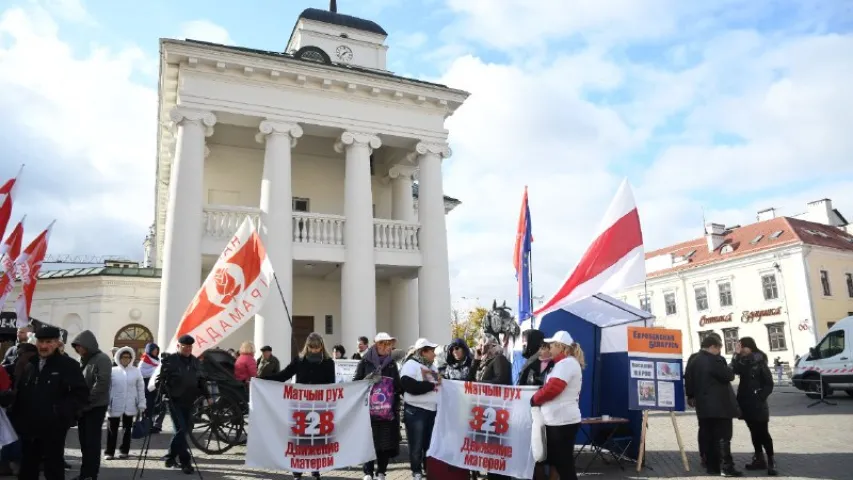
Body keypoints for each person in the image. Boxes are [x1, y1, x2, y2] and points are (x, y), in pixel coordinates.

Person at [11, 326, 88, 480]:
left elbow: (80, 394)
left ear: (57, 343)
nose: (44, 346)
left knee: (53, 468)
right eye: (41, 341)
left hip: (53, 427)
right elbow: (20, 390)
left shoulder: (68, 365)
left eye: (49, 342)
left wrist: (61, 412)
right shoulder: (28, 363)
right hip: (29, 427)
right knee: (28, 467)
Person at [268, 333, 335, 479]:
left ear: (321, 347)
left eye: (317, 347)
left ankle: (315, 468)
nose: (314, 350)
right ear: (307, 346)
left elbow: (331, 384)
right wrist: (262, 379)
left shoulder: (328, 362)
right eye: (311, 347)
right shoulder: (299, 360)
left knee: (317, 439)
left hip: (319, 407)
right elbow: (283, 375)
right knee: (299, 439)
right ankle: (297, 471)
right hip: (301, 406)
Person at [529, 331, 584, 480]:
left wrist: (535, 398)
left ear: (560, 346)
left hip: (561, 423)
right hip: (560, 421)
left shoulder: (567, 363)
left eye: (551, 345)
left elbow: (553, 388)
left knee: (564, 466)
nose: (549, 348)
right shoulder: (563, 363)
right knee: (562, 464)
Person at [151, 335, 207, 474]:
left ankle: (170, 457)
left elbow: (201, 380)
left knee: (186, 429)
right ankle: (185, 462)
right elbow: (159, 381)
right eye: (185, 346)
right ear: (178, 346)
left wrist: (208, 396)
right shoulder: (170, 361)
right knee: (182, 429)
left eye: (190, 347)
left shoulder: (195, 362)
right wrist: (164, 390)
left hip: (190, 401)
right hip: (174, 400)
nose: (188, 349)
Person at [691, 333, 742, 477]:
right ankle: (727, 467)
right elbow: (729, 375)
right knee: (723, 438)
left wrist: (691, 396)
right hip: (720, 407)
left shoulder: (694, 360)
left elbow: (689, 380)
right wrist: (735, 357)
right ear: (713, 347)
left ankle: (712, 468)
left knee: (709, 438)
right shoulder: (713, 360)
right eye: (719, 348)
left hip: (704, 407)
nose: (719, 352)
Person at [353, 333, 401, 480]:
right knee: (369, 441)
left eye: (389, 344)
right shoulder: (365, 361)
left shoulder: (392, 363)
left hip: (387, 412)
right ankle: (368, 472)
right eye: (384, 344)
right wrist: (368, 380)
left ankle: (381, 472)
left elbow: (398, 386)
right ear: (376, 345)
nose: (387, 347)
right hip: (368, 410)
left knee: (384, 444)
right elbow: (355, 382)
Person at [70, 330, 113, 480]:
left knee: (92, 442)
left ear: (88, 345)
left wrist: (88, 400)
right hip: (83, 407)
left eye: (80, 346)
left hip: (95, 407)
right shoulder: (82, 359)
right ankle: (85, 473)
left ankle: (91, 474)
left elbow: (102, 382)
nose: (78, 349)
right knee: (84, 442)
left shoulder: (102, 359)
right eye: (76, 347)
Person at [732, 338, 777, 475]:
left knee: (763, 432)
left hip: (758, 404)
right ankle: (759, 459)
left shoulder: (760, 361)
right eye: (740, 347)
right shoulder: (742, 361)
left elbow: (769, 383)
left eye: (743, 347)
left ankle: (771, 461)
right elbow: (733, 370)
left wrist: (760, 397)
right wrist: (736, 354)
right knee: (753, 432)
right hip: (745, 403)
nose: (742, 350)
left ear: (750, 347)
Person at [400, 338, 440, 480]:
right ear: (423, 352)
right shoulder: (410, 365)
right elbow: (408, 386)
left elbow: (437, 385)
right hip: (416, 411)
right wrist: (430, 385)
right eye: (432, 351)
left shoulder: (432, 367)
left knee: (428, 444)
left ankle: (427, 469)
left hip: (431, 410)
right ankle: (416, 471)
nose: (434, 354)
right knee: (416, 444)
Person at [104, 347, 146, 460]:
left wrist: (142, 403)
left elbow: (140, 388)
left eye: (128, 357)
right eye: (123, 357)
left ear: (131, 358)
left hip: (130, 403)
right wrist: (107, 403)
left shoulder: (136, 371)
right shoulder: (113, 371)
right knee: (112, 429)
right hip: (115, 403)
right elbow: (107, 388)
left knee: (127, 429)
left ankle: (124, 451)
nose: (126, 359)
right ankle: (109, 452)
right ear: (119, 357)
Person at [684, 351, 706, 468]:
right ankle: (704, 455)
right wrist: (690, 395)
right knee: (704, 428)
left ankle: (709, 455)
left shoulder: (716, 358)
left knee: (707, 428)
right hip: (701, 400)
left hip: (712, 400)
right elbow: (688, 377)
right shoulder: (695, 358)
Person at [138, 343, 166, 433]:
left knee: (161, 406)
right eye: (153, 350)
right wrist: (156, 371)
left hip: (157, 386)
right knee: (148, 406)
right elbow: (141, 372)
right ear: (149, 350)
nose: (155, 351)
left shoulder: (157, 360)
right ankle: (148, 425)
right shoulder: (144, 361)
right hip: (147, 387)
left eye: (156, 350)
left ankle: (157, 425)